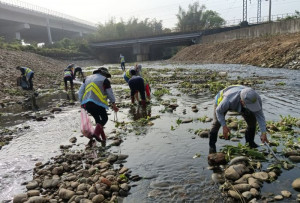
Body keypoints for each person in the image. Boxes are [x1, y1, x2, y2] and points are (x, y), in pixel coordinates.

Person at [208, 85, 269, 154]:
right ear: (242, 101)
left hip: (241, 103)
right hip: (221, 102)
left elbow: (260, 116)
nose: (252, 108)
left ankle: (250, 143)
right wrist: (224, 126)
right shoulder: (228, 99)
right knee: (216, 123)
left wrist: (263, 133)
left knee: (252, 121)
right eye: (250, 106)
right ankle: (212, 147)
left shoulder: (255, 99)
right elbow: (219, 111)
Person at [78, 67, 119, 146]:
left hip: (87, 103)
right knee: (104, 118)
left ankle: (102, 138)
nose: (106, 77)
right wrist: (113, 104)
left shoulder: (86, 79)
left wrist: (81, 102)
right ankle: (96, 134)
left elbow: (80, 92)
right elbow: (110, 93)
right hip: (98, 103)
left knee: (98, 120)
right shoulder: (104, 80)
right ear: (103, 73)